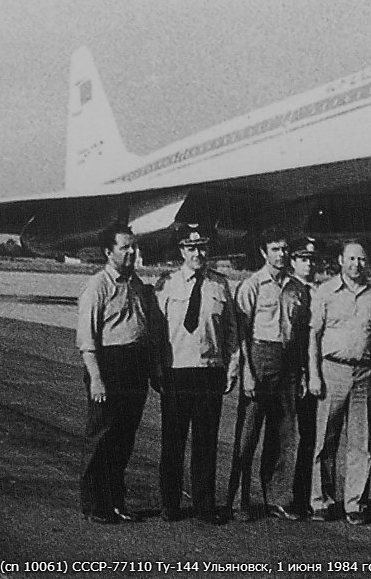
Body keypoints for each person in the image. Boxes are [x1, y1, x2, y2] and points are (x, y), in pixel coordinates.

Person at [76, 223, 162, 524]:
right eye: (124, 247)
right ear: (108, 251)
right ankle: (95, 504)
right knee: (101, 436)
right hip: (109, 365)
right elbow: (87, 339)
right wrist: (96, 379)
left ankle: (116, 501)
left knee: (124, 438)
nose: (131, 252)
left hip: (135, 366)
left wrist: (153, 369)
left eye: (133, 246)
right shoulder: (97, 286)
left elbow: (145, 328)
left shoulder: (136, 284)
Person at [154, 224, 238, 525]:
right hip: (176, 371)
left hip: (209, 372)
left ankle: (204, 505)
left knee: (206, 442)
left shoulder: (220, 284)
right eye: (191, 248)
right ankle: (170, 503)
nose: (197, 253)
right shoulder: (166, 284)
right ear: (181, 251)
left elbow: (231, 330)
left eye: (202, 247)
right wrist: (157, 368)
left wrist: (232, 366)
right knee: (172, 442)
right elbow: (157, 331)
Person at [227, 228, 311, 521]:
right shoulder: (252, 285)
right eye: (275, 249)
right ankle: (239, 500)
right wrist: (247, 371)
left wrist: (301, 372)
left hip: (288, 361)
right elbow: (241, 334)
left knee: (284, 433)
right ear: (264, 252)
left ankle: (277, 498)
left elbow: (300, 333)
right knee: (248, 434)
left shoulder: (296, 288)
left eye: (285, 249)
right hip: (260, 358)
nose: (281, 254)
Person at [307, 240, 371, 525]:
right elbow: (314, 336)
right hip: (332, 371)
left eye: (361, 259)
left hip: (363, 374)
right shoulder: (325, 292)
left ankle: (355, 503)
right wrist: (314, 374)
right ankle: (321, 501)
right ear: (340, 260)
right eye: (351, 258)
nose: (356, 264)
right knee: (326, 439)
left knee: (361, 443)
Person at [287, 236, 320, 518]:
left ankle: (304, 496)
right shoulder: (288, 291)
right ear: (293, 261)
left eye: (312, 259)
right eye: (303, 259)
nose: (308, 264)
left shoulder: (321, 291)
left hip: (315, 373)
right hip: (291, 371)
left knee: (311, 436)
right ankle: (284, 497)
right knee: (286, 436)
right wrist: (298, 372)